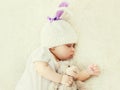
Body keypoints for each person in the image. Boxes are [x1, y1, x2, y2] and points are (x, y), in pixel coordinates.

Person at [15, 1, 100, 90]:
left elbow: (74, 78)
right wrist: (61, 78)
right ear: (53, 46)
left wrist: (88, 72)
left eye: (74, 46)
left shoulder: (64, 64)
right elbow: (42, 69)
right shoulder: (43, 52)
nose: (73, 50)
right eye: (68, 45)